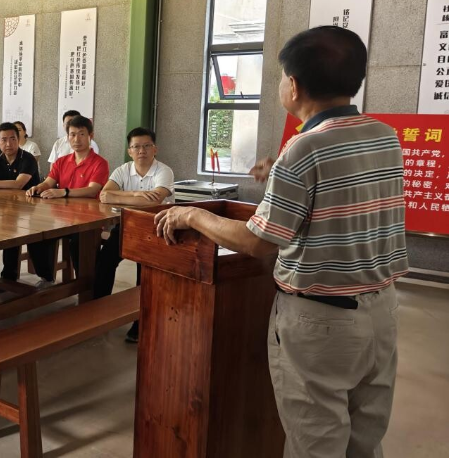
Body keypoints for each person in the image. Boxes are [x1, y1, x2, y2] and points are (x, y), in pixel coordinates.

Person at [154, 26, 407, 458]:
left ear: (293, 84)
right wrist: (279, 173)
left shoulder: (304, 149)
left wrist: (191, 214)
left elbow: (259, 242)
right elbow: (342, 190)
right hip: (382, 311)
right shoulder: (384, 135)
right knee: (365, 441)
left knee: (316, 443)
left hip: (322, 322)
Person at [95, 127, 174, 342]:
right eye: (136, 146)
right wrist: (137, 193)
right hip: (127, 224)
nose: (142, 151)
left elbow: (155, 201)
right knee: (104, 261)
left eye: (147, 146)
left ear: (155, 149)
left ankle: (141, 323)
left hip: (156, 228)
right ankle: (97, 312)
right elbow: (104, 195)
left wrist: (120, 196)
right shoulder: (123, 170)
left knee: (144, 273)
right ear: (129, 151)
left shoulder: (164, 171)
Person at [27, 115, 109, 276]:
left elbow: (93, 190)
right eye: (72, 134)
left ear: (91, 136)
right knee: (35, 235)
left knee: (79, 243)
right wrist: (37, 187)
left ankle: (83, 283)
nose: (76, 139)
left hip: (88, 220)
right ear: (67, 137)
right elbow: (49, 182)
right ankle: (46, 278)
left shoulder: (100, 163)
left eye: (82, 134)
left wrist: (64, 192)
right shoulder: (61, 161)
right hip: (61, 218)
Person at [0, 123, 53, 282]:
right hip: (8, 206)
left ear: (19, 140)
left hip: (32, 209)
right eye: (4, 140)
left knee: (31, 237)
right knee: (3, 231)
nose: (8, 144)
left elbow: (18, 184)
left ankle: (46, 278)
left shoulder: (27, 158)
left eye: (12, 139)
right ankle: (7, 277)